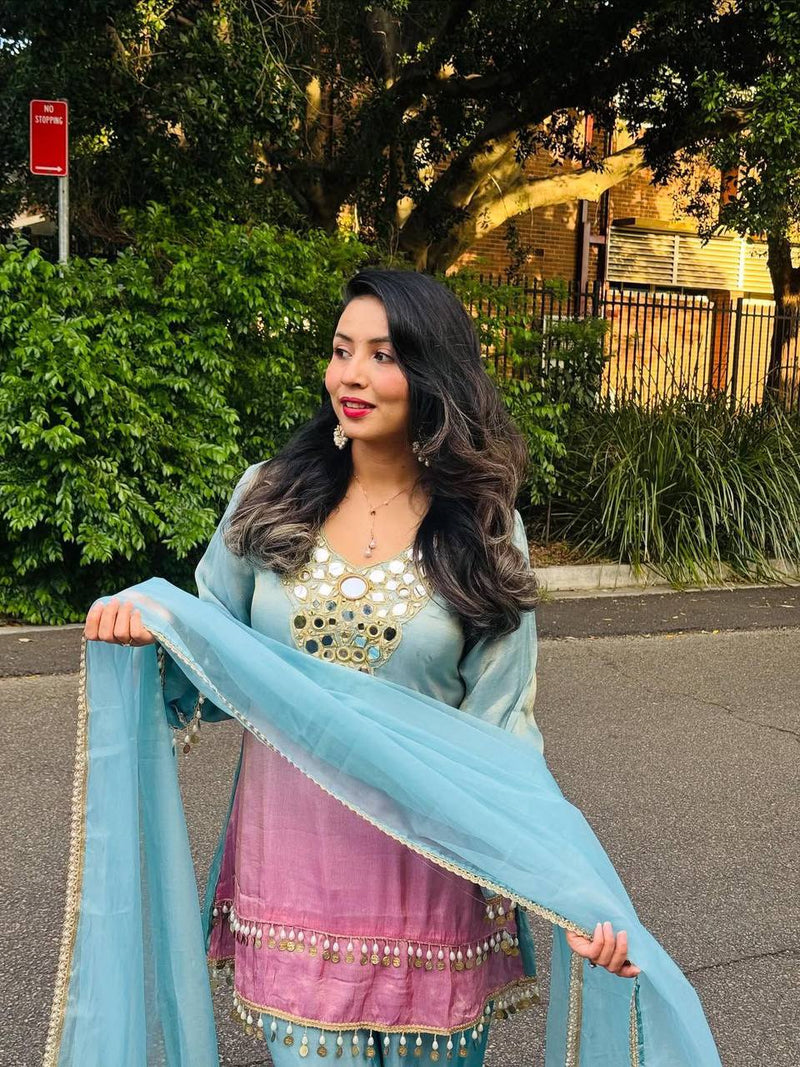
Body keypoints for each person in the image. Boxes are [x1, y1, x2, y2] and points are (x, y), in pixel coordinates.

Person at [84, 269, 641, 1064]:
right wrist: (147, 631)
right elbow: (209, 659)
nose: (351, 374)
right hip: (294, 889)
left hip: (433, 896)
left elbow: (504, 733)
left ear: (431, 373)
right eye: (342, 350)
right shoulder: (269, 499)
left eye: (382, 355)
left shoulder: (482, 529)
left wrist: (575, 894)